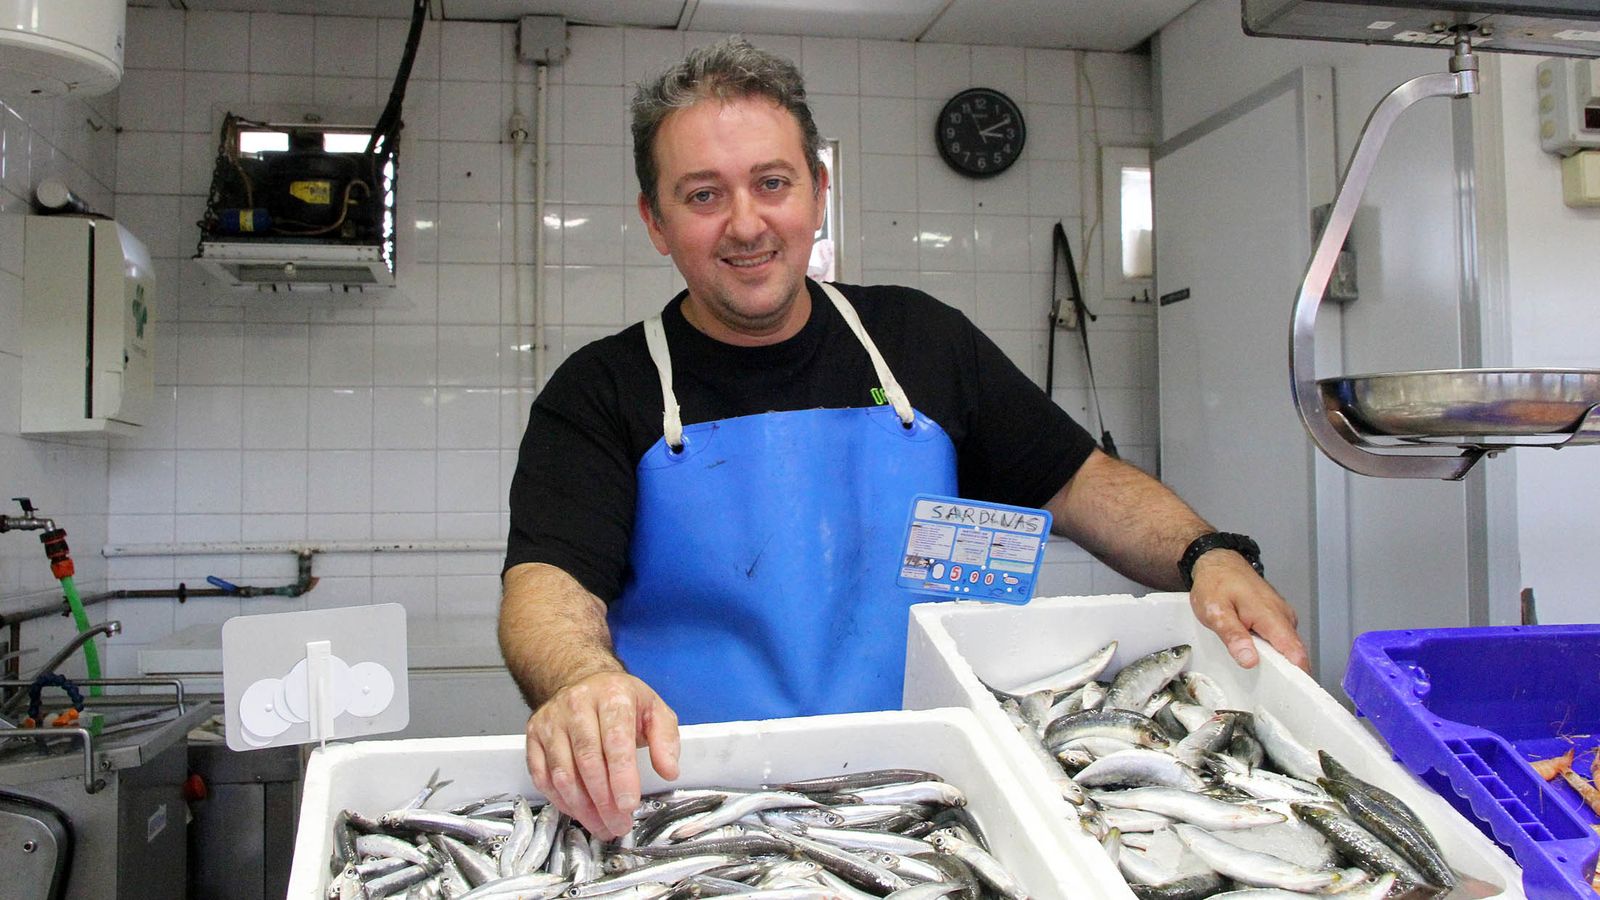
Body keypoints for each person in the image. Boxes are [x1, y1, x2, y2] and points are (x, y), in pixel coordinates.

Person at [499, 36, 1308, 840]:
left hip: (935, 793)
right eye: (703, 195)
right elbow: (547, 583)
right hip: (702, 807)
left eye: (772, 183)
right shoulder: (601, 389)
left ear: (817, 192)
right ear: (656, 221)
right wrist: (580, 678)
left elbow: (1078, 479)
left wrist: (1208, 553)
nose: (746, 224)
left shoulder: (921, 339)